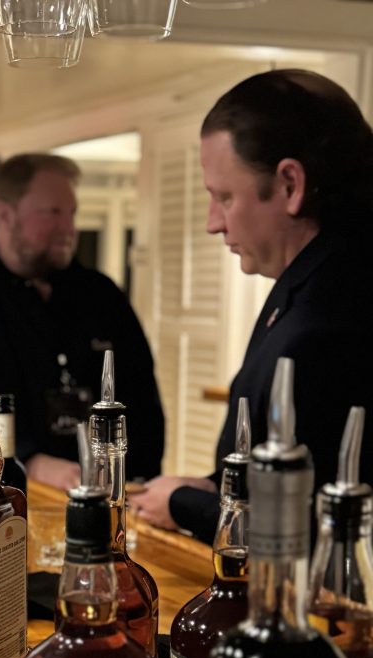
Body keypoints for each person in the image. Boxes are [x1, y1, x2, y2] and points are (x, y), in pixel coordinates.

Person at [130, 69, 373, 543]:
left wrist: (185, 504)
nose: (212, 223)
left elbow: (314, 522)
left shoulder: (333, 317)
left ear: (290, 184)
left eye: (224, 196)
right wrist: (213, 487)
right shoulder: (312, 280)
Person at [0, 153, 164, 489]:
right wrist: (26, 459)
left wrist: (137, 479)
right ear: (4, 215)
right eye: (53, 213)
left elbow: (144, 402)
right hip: (2, 501)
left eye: (72, 213)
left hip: (111, 500)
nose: (70, 228)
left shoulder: (102, 295)